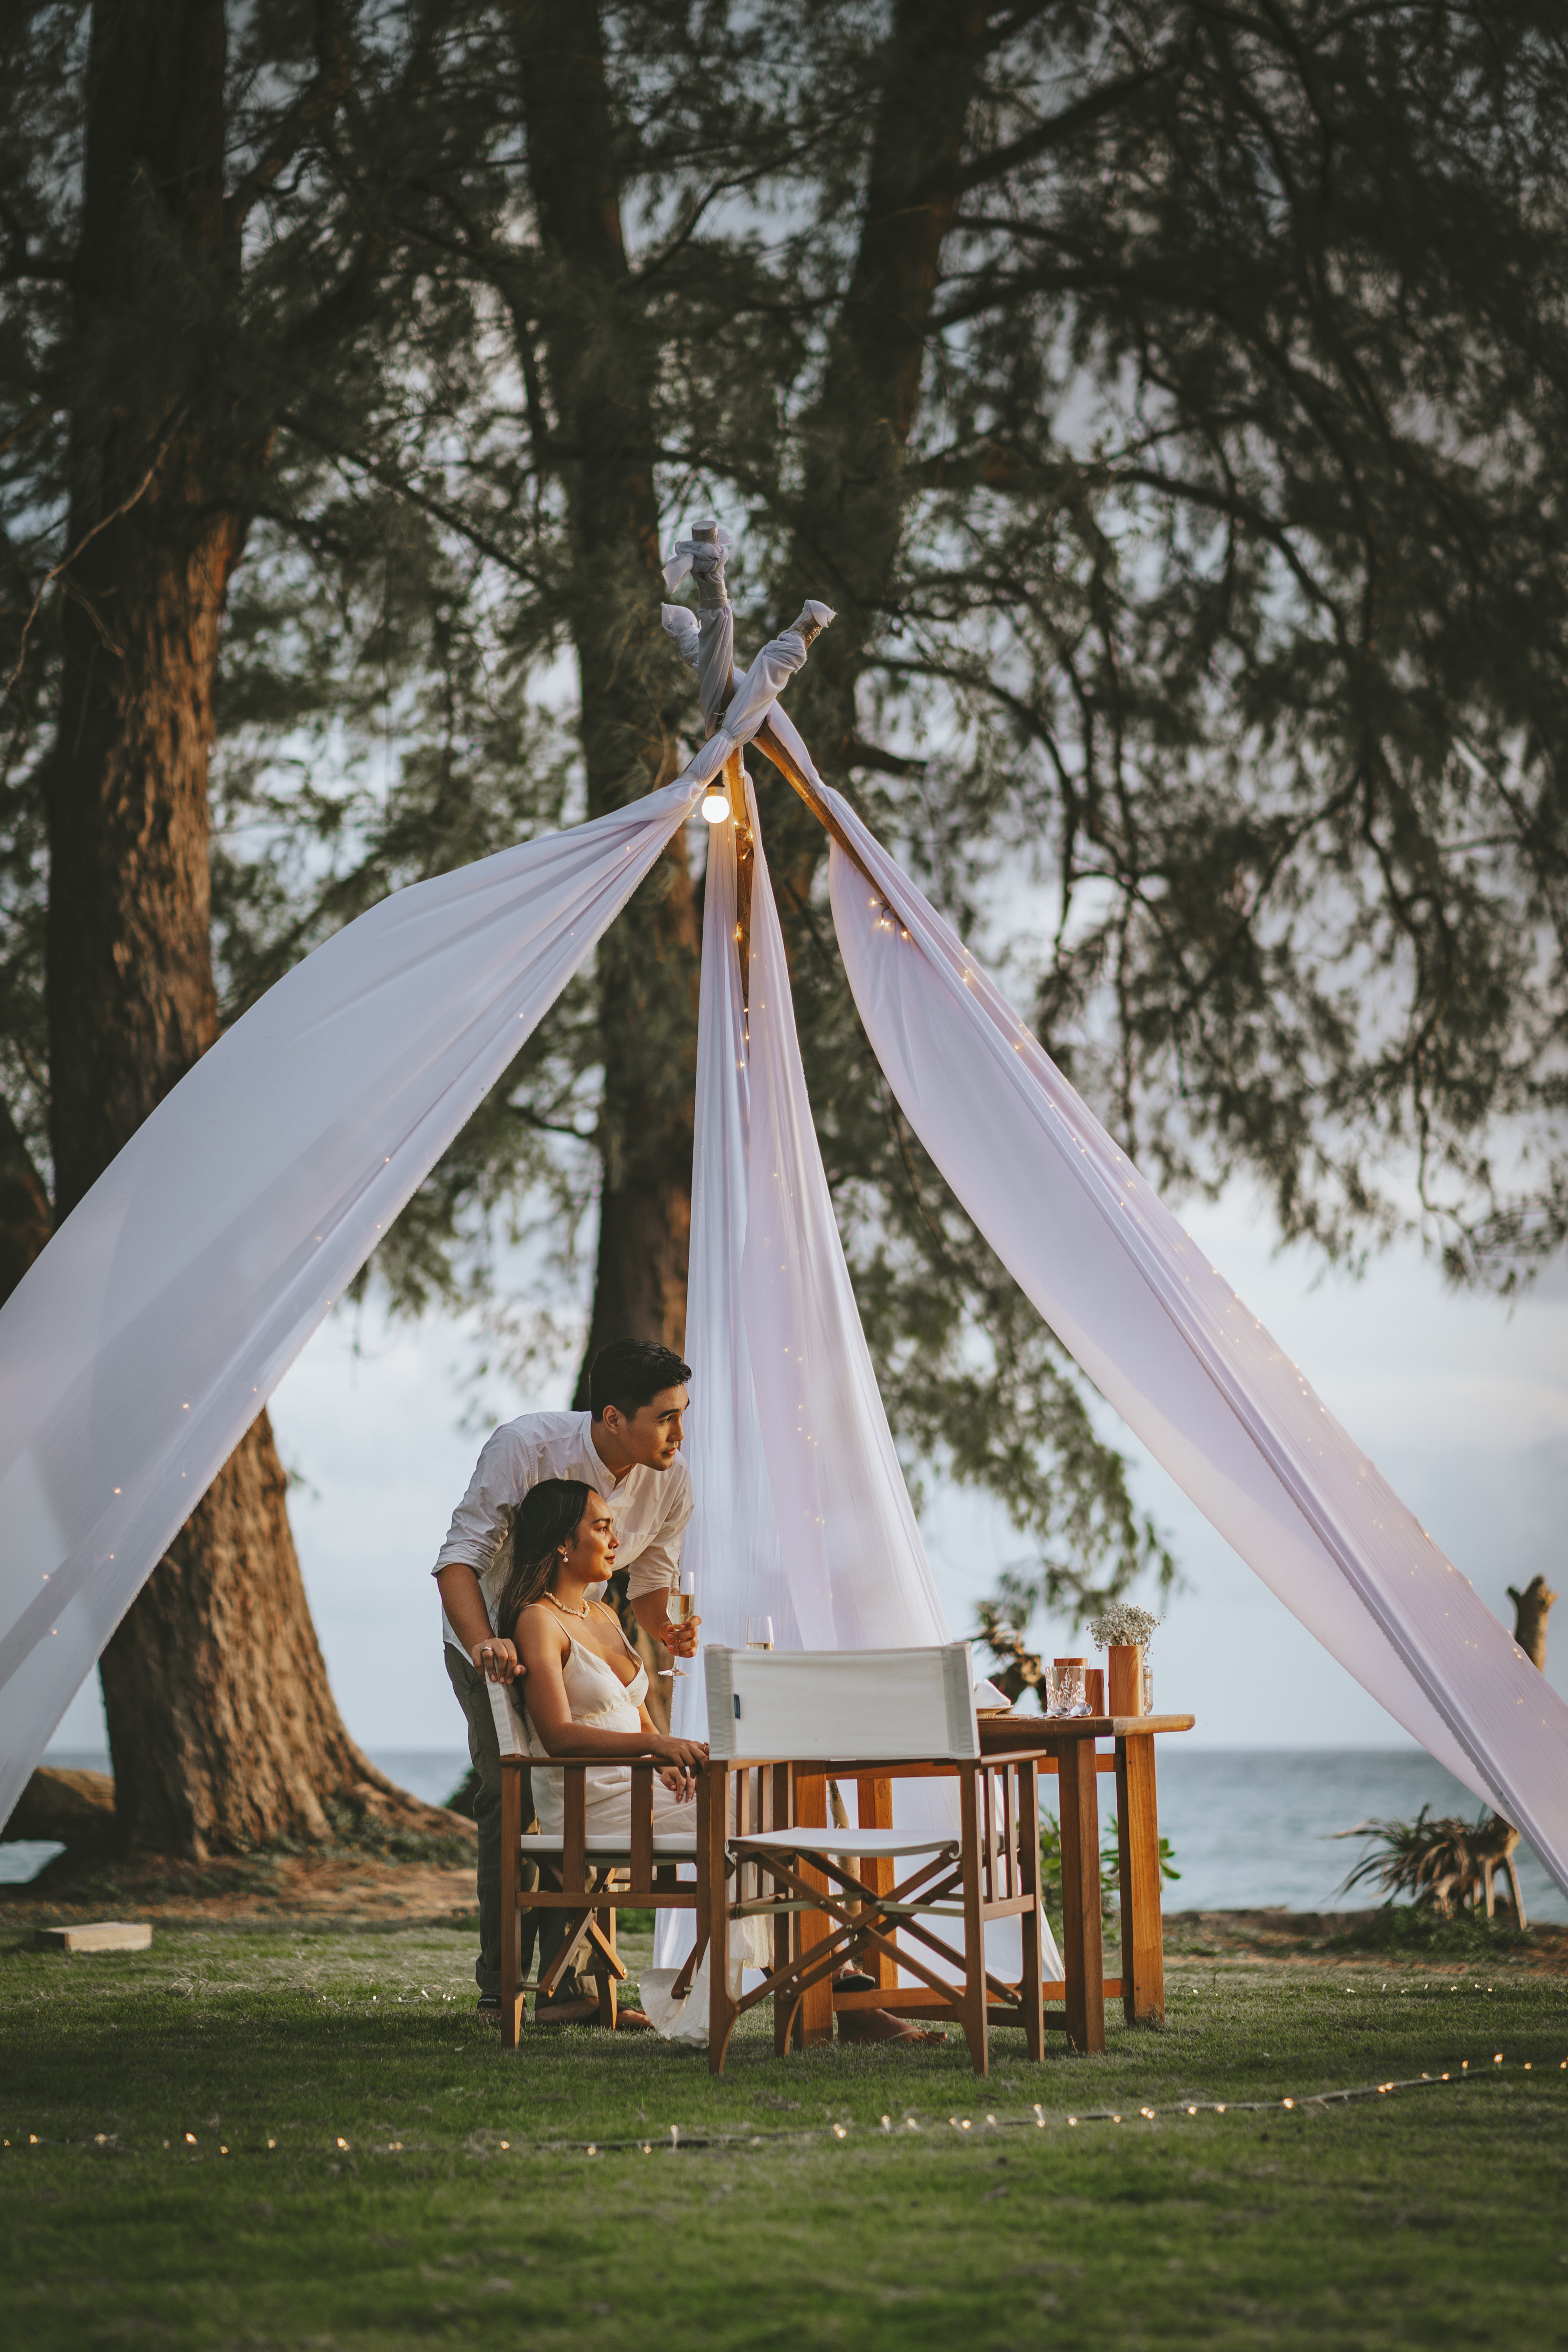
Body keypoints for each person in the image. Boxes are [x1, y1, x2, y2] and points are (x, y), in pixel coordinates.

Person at [432, 1339, 699, 2021]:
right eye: (666, 1416)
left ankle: (575, 1988)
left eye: (683, 1414)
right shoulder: (526, 1447)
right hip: (490, 1637)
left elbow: (649, 1588)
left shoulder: (670, 1480)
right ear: (613, 1417)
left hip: (588, 1632)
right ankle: (505, 1984)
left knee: (591, 1788)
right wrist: (486, 1641)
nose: (679, 1431)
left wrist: (667, 1631)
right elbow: (459, 1559)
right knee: (516, 1792)